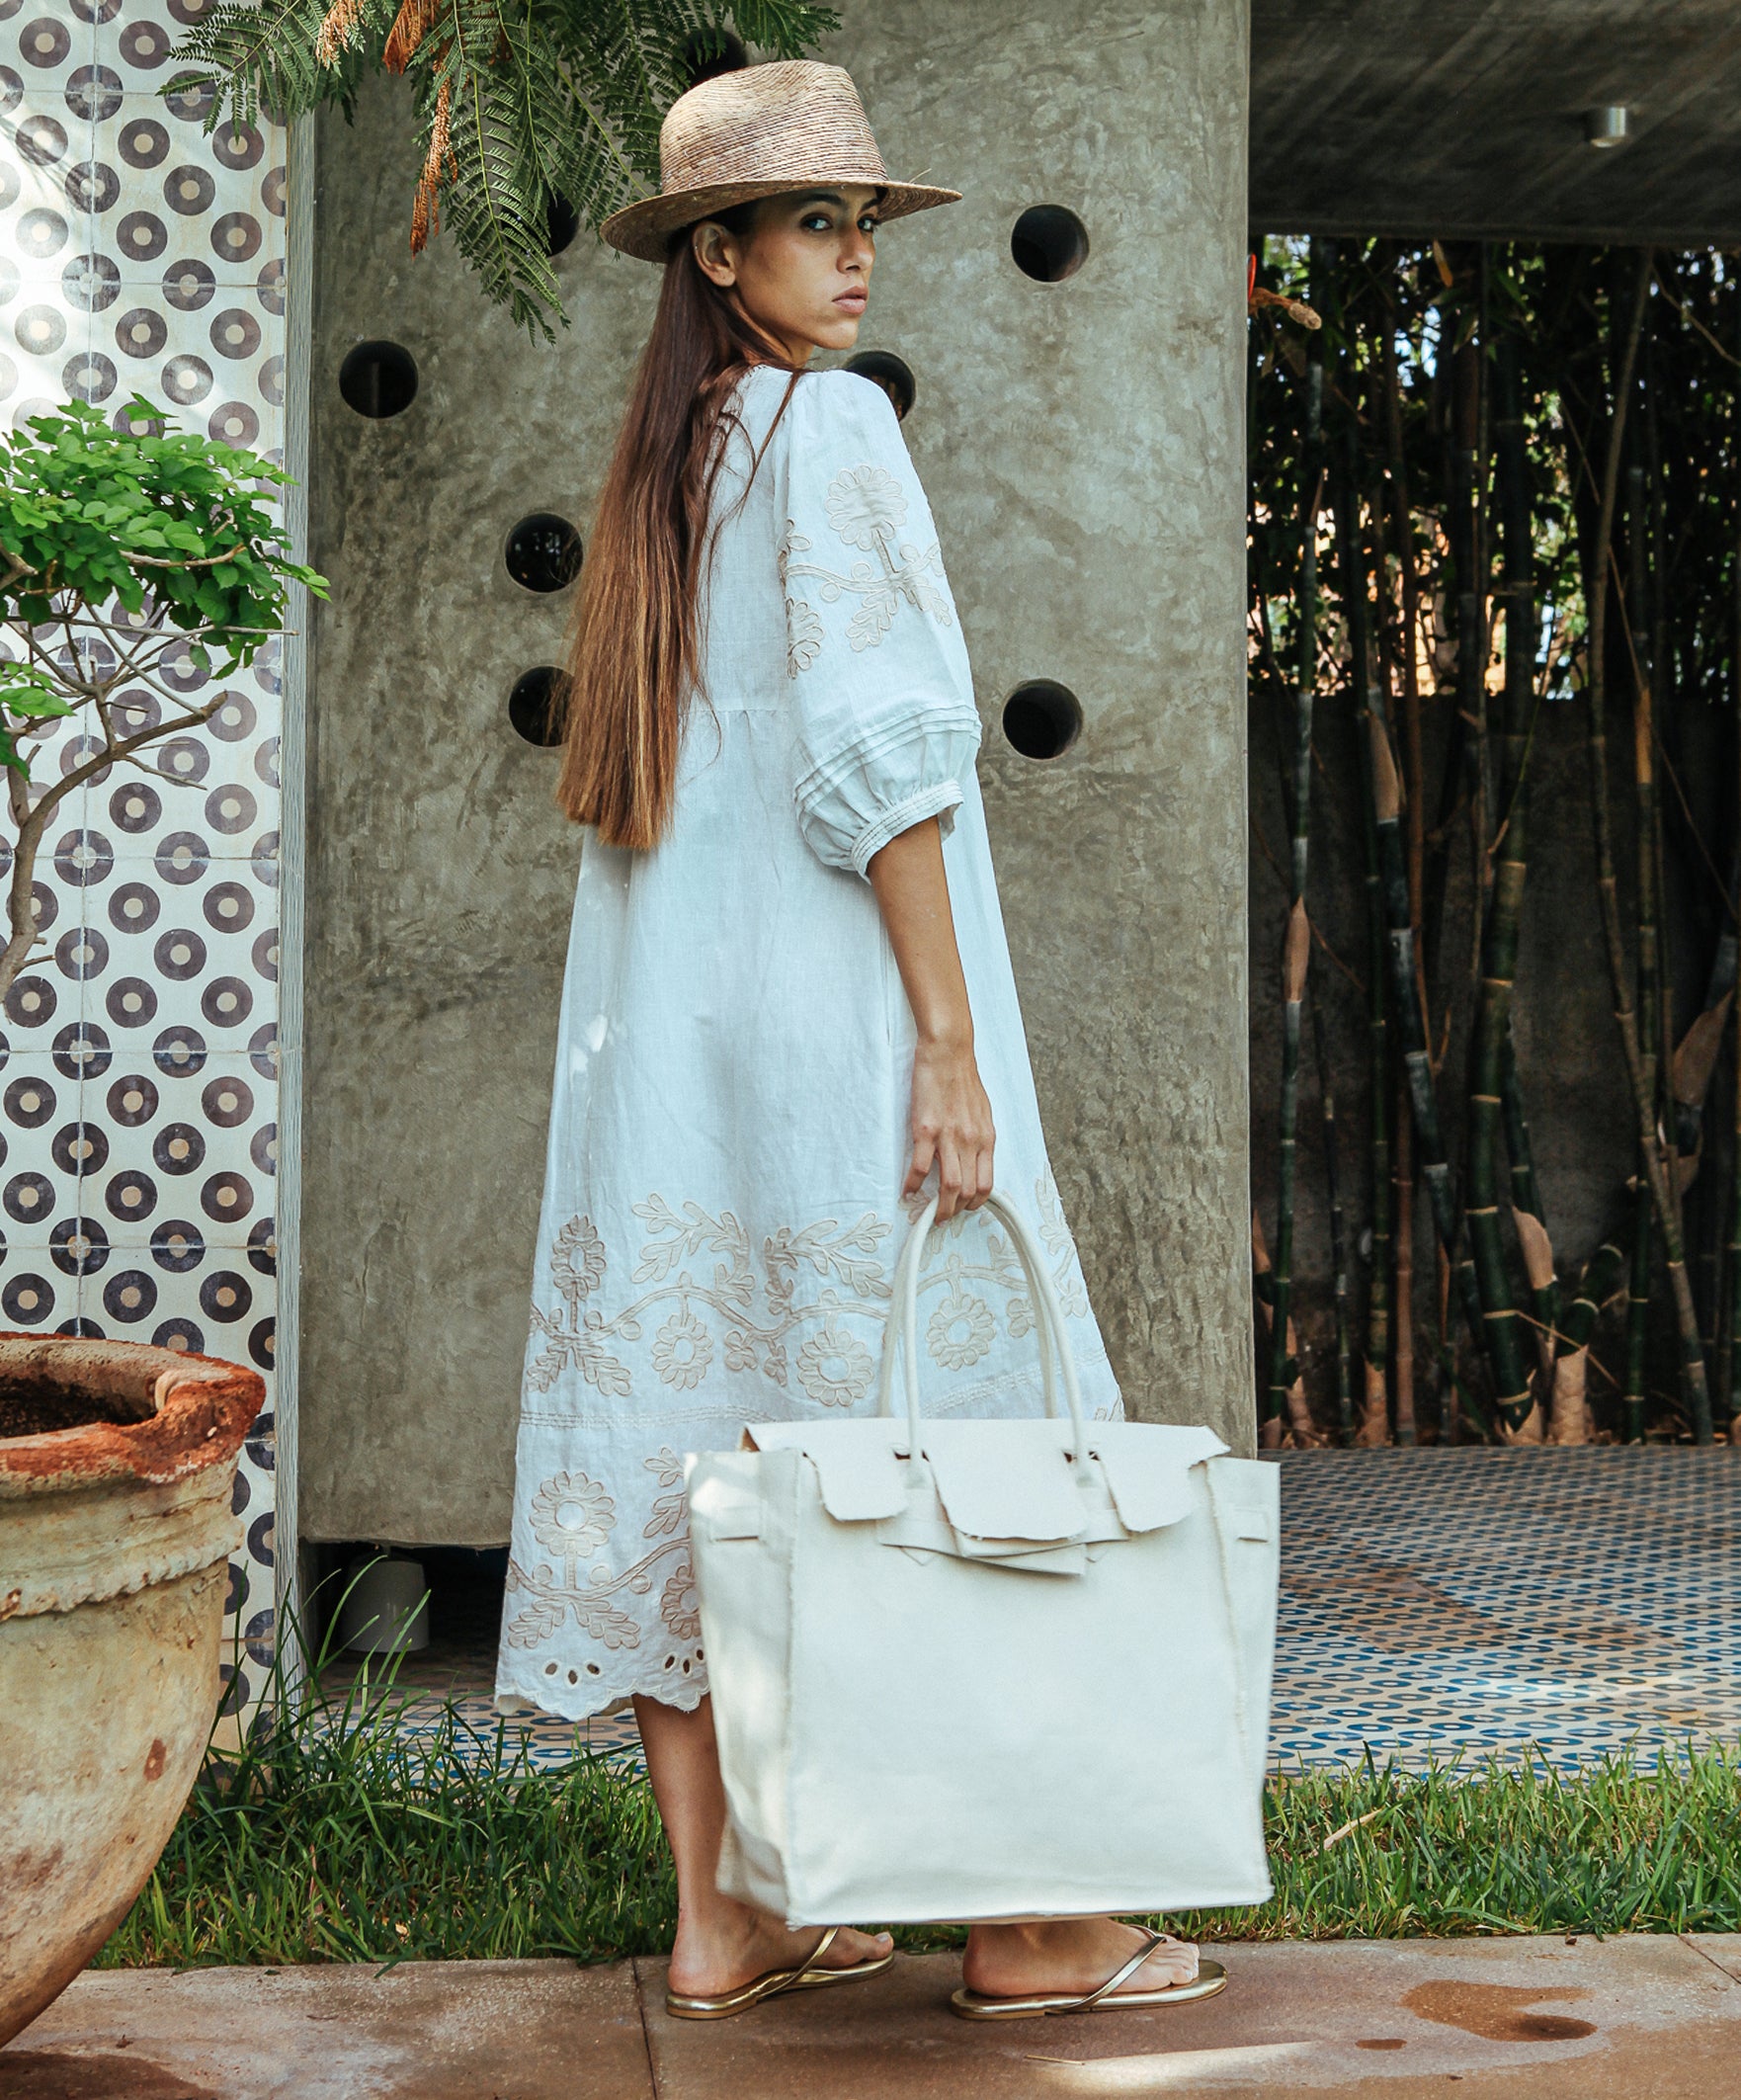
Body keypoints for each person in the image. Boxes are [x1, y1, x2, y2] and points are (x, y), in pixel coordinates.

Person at [495, 58, 1213, 2022]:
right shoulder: (828, 434)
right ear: (716, 256)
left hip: (667, 1064)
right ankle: (1030, 1920)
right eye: (816, 222)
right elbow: (881, 766)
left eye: (861, 220)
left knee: (689, 1437)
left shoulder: (674, 464)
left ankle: (727, 1915)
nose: (853, 257)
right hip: (833, 1037)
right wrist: (951, 1042)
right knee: (952, 1437)